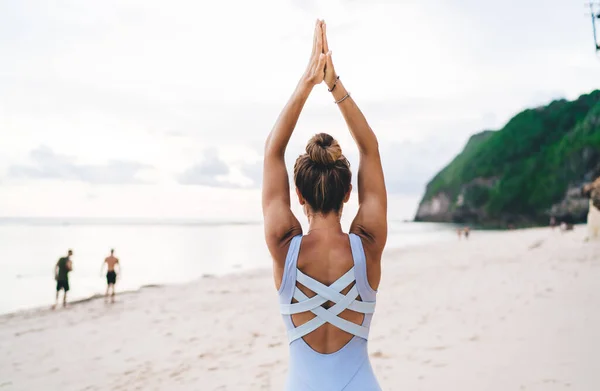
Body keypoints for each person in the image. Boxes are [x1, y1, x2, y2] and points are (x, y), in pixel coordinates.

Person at [262, 20, 386, 391]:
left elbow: (272, 150)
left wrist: (307, 81)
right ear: (349, 191)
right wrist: (334, 84)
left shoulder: (285, 247)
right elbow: (369, 149)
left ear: (298, 196)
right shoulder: (368, 244)